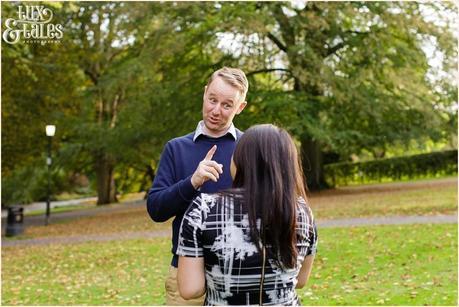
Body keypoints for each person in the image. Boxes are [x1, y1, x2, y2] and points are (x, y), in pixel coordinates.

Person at [176, 124, 318, 306]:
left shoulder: (203, 209)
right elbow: (301, 280)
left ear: (241, 160)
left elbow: (190, 289)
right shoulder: (302, 210)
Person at [146, 67, 249, 305]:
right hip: (186, 273)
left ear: (240, 107)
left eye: (226, 105)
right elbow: (156, 210)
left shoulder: (249, 147)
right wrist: (192, 182)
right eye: (212, 100)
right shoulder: (176, 148)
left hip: (239, 274)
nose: (216, 110)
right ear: (204, 94)